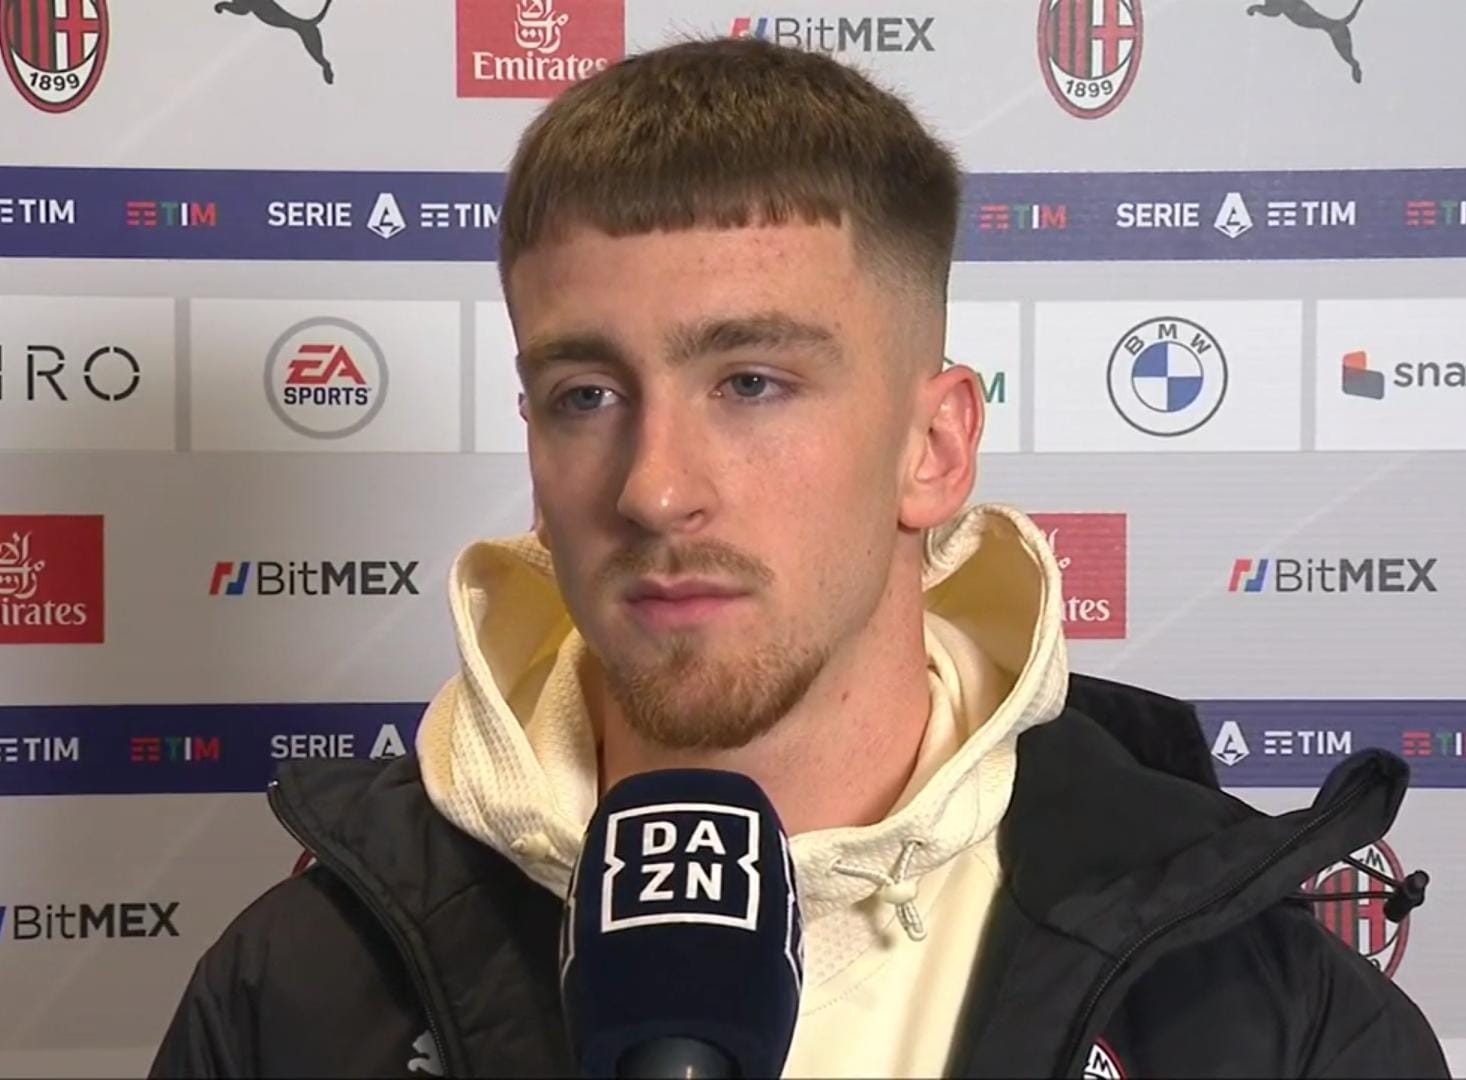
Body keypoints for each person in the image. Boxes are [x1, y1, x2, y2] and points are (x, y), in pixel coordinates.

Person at [151, 36, 1446, 1078]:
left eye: (752, 382)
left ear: (933, 447)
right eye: (586, 395)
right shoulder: (303, 990)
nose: (655, 490)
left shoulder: (1260, 1013)